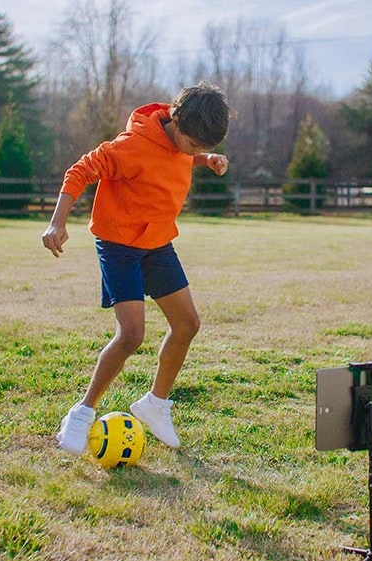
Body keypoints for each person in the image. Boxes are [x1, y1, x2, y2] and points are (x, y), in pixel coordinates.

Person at [41, 82, 230, 454]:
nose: (196, 151)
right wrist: (57, 222)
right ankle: (81, 412)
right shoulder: (130, 147)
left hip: (157, 242)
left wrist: (202, 159)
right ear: (176, 122)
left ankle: (155, 405)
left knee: (188, 323)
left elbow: (174, 156)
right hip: (120, 246)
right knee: (131, 335)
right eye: (195, 145)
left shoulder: (182, 144)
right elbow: (79, 171)